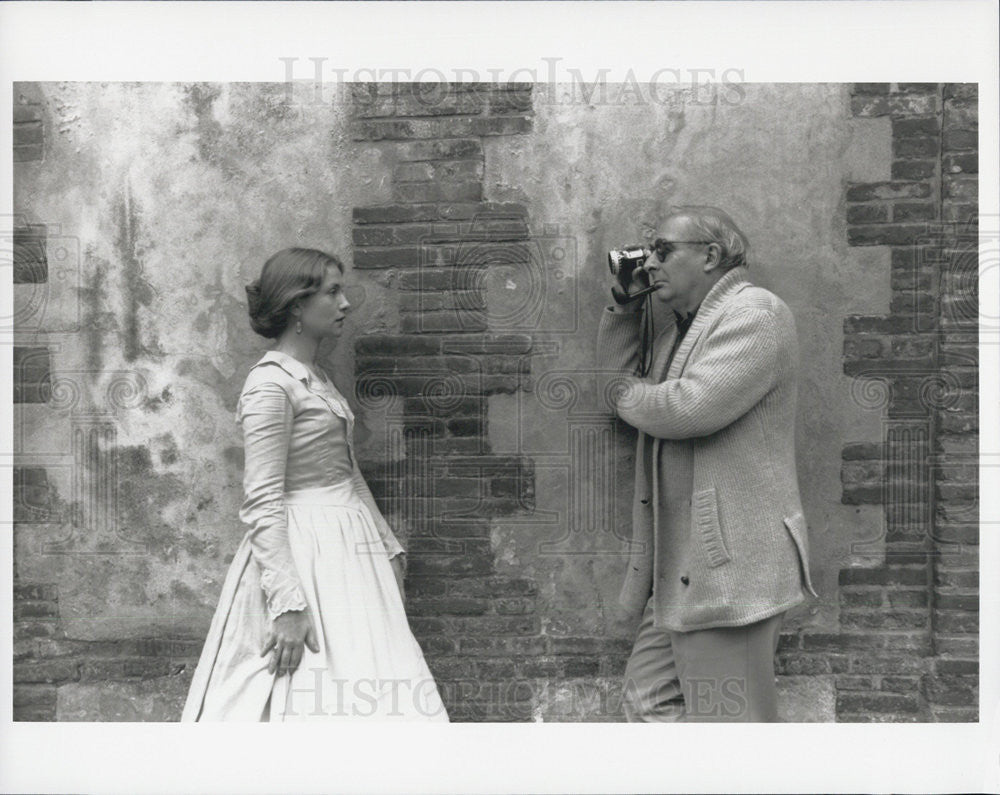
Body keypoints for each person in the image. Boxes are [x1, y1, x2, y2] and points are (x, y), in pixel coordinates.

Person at [182, 248, 448, 721]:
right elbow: (262, 499)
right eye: (332, 292)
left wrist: (386, 547)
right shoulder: (270, 384)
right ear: (297, 306)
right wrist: (286, 604)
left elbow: (347, 474)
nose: (345, 303)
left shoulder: (316, 379)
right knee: (305, 693)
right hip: (305, 550)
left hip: (349, 550)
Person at [596, 206, 818, 722]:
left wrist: (634, 396)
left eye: (664, 250)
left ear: (712, 255)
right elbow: (617, 390)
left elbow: (685, 409)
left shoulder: (754, 315)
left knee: (731, 731)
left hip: (728, 569)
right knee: (648, 703)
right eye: (649, 252)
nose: (650, 263)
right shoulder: (684, 330)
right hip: (681, 571)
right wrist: (626, 310)